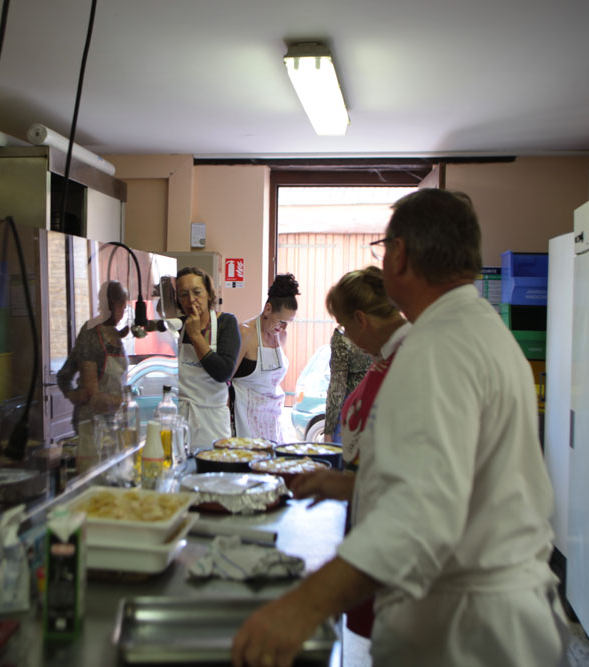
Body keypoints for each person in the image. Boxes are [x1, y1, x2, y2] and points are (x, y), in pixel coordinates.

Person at [232, 189, 567, 667]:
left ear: (401, 255)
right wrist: (354, 485)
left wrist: (302, 605)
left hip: (464, 631)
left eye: (382, 248)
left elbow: (420, 517)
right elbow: (456, 479)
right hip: (491, 616)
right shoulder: (478, 328)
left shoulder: (437, 348)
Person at [289, 266, 409, 638]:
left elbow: (411, 483)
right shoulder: (385, 357)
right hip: (371, 514)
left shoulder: (412, 360)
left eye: (343, 327)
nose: (344, 336)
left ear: (361, 320)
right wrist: (340, 483)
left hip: (397, 539)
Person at [175, 266, 240, 451]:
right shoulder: (178, 327)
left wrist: (195, 335)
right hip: (181, 420)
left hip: (213, 422)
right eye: (183, 295)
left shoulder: (226, 323)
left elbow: (223, 373)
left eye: (197, 292)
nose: (191, 300)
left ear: (209, 294)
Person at [231, 274, 299, 442]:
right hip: (245, 420)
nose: (283, 327)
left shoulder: (281, 336)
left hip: (273, 420)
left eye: (288, 323)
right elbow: (225, 380)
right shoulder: (245, 333)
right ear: (268, 309)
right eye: (281, 321)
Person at [57, 280, 130, 431]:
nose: (124, 313)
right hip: (92, 423)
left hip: (113, 421)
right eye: (123, 307)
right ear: (114, 305)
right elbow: (95, 399)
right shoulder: (91, 332)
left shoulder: (113, 333)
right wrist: (74, 394)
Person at [323, 327, 372, 443]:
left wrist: (328, 430)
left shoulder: (343, 336)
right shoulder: (387, 329)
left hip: (353, 408)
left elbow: (337, 387)